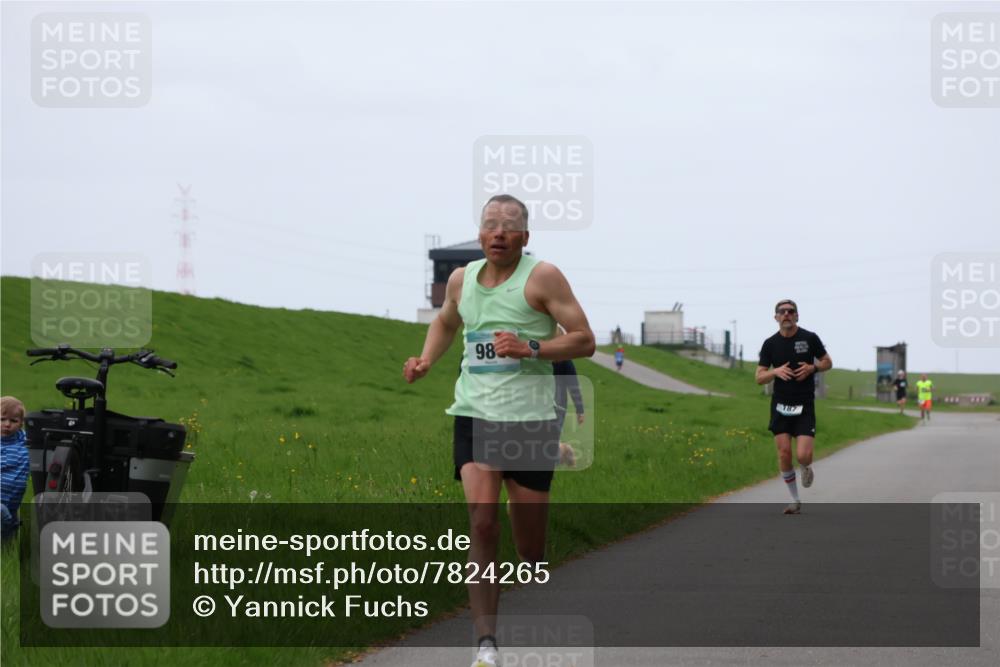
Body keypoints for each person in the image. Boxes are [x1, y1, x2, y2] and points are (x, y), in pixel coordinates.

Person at [403, 194, 595, 667]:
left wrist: (529, 346)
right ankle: (486, 645)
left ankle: (527, 517)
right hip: (474, 413)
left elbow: (584, 340)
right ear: (480, 233)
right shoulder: (461, 279)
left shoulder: (543, 277)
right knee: (482, 525)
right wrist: (427, 359)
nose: (499, 232)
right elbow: (446, 322)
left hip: (530, 421)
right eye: (490, 224)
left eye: (509, 226)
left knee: (529, 552)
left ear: (524, 238)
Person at [755, 300, 833, 515]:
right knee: (784, 454)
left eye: (791, 311)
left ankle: (806, 467)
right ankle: (795, 499)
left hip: (804, 404)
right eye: (782, 312)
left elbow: (828, 362)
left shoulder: (809, 338)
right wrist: (775, 372)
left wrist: (813, 368)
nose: (787, 314)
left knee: (803, 455)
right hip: (780, 405)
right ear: (776, 317)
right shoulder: (770, 344)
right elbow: (759, 377)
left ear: (797, 316)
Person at [1, 396, 30, 541]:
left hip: (13, 502)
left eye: (13, 421)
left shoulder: (25, 441)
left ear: (21, 424)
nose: (7, 424)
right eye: (2, 419)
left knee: (9, 544)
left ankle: (7, 554)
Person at [553, 359, 586, 468]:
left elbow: (573, 385)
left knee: (549, 450)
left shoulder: (564, 360)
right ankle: (563, 449)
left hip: (558, 407)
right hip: (537, 405)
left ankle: (564, 449)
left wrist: (580, 409)